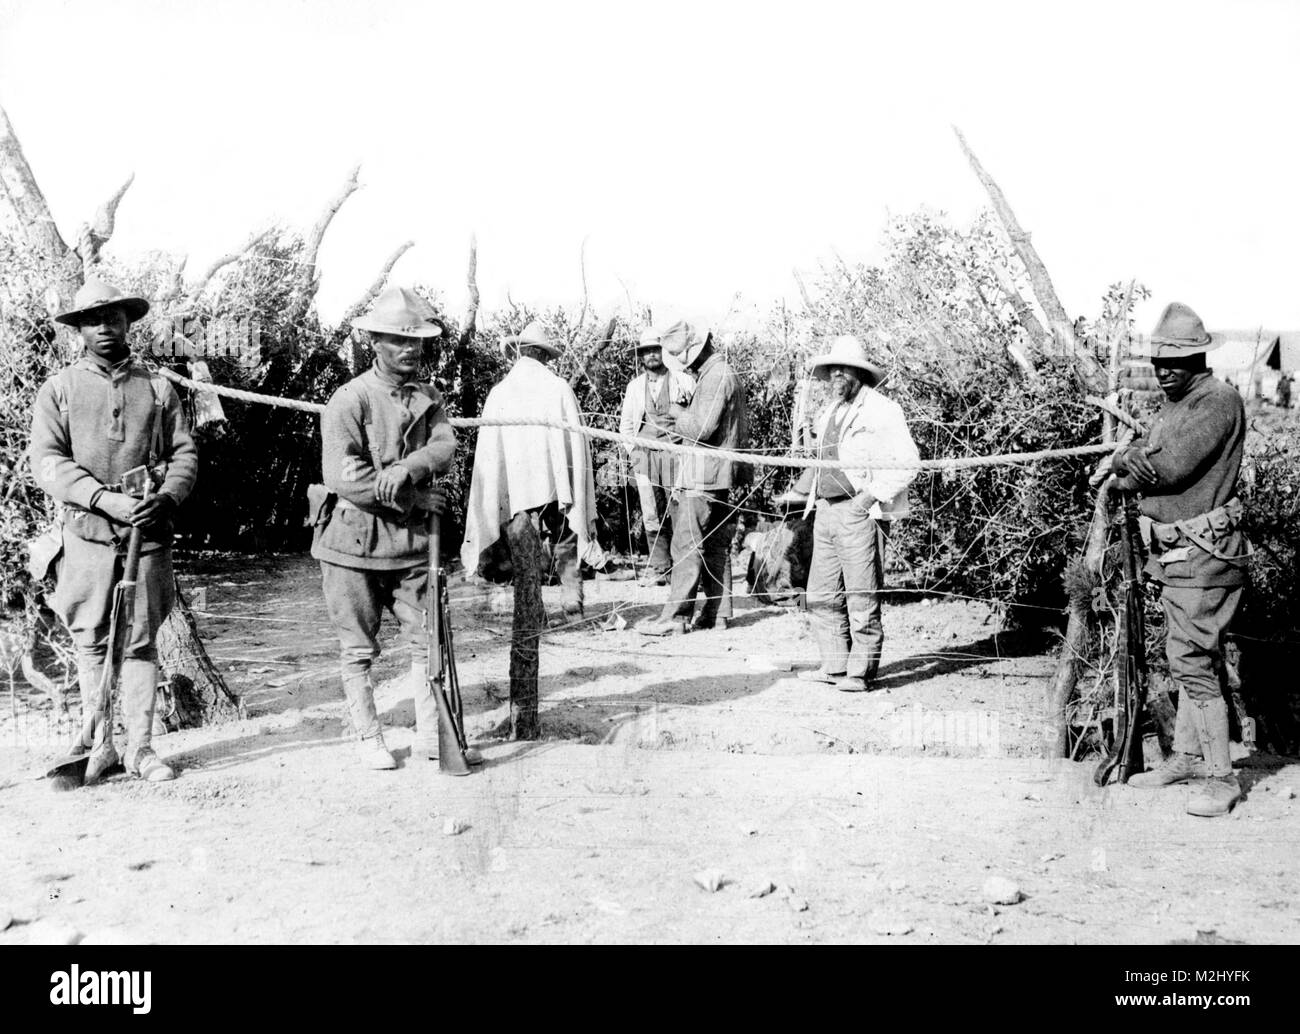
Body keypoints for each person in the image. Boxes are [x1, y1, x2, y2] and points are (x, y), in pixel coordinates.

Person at [30, 279, 199, 783]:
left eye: (114, 317)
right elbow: (48, 461)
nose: (105, 327)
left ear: (129, 322)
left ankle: (141, 749)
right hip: (86, 532)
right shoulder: (58, 389)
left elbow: (184, 454)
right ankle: (97, 740)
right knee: (91, 638)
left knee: (141, 641)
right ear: (79, 329)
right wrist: (105, 500)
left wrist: (166, 497)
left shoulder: (157, 388)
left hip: (146, 534)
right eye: (93, 320)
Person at [1110, 302, 1252, 817]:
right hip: (1179, 554)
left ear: (1200, 358)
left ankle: (1221, 777)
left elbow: (1166, 470)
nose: (1163, 370)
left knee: (1191, 658)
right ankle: (1190, 757)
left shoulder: (1217, 402)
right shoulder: (1178, 404)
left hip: (1204, 553)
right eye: (1157, 361)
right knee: (1192, 655)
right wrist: (1134, 462)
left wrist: (1125, 462)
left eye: (1176, 360)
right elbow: (1145, 461)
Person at [310, 287, 457, 770]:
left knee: (425, 638)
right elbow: (344, 476)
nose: (410, 348)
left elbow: (444, 448)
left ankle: (429, 734)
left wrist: (410, 466)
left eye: (416, 340)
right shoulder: (349, 399)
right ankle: (368, 736)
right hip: (354, 541)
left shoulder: (429, 397)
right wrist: (411, 495)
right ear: (375, 341)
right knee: (357, 646)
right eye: (398, 339)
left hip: (412, 546)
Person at [795, 336, 919, 691]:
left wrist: (868, 498)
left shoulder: (883, 410)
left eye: (843, 369)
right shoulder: (829, 411)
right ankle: (833, 666)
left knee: (861, 595)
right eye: (832, 370)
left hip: (858, 513)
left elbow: (909, 463)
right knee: (821, 593)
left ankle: (860, 672)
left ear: (859, 373)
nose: (836, 375)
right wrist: (805, 493)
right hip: (826, 511)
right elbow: (824, 462)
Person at [461, 320, 598, 626]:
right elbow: (575, 443)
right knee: (565, 538)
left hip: (517, 488)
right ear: (540, 354)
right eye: (545, 356)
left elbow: (492, 452)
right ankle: (572, 605)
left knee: (524, 547)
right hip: (555, 483)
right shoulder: (557, 387)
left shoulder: (500, 391)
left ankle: (532, 611)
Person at [638, 321, 748, 635]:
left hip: (704, 475)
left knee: (685, 543)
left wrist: (676, 414)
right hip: (717, 474)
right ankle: (717, 613)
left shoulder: (716, 376)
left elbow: (703, 429)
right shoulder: (718, 374)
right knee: (714, 545)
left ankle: (675, 617)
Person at [618, 327, 695, 585]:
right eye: (646, 352)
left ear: (663, 353)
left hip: (676, 455)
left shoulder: (682, 380)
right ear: (640, 357)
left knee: (678, 508)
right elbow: (626, 427)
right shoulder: (634, 387)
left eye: (655, 350)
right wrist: (635, 452)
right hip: (644, 455)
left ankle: (683, 568)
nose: (651, 355)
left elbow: (694, 421)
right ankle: (661, 568)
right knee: (651, 511)